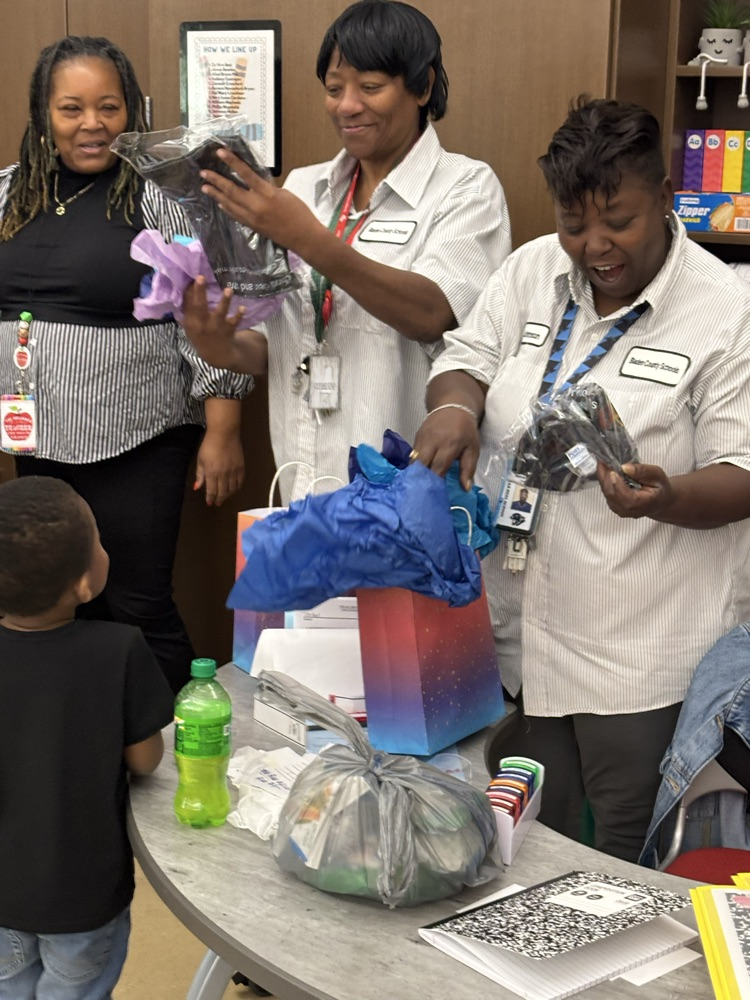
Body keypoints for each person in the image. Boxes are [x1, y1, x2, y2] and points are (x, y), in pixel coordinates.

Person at [413, 96, 750, 863]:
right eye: (574, 224)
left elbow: (743, 473)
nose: (594, 246)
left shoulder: (727, 312)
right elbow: (465, 357)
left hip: (639, 654)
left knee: (625, 866)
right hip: (519, 636)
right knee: (527, 847)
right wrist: (456, 407)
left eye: (619, 222)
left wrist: (667, 498)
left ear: (665, 199)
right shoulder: (530, 270)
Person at [0, 36, 253, 693]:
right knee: (61, 603)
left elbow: (213, 308)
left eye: (108, 107)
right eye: (71, 109)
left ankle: (181, 750)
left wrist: (223, 430)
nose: (92, 124)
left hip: (137, 438)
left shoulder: (160, 194)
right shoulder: (8, 194)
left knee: (138, 604)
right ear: (42, 115)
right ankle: (97, 742)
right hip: (38, 436)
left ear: (131, 111)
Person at [182, 0, 511, 502]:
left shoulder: (466, 187)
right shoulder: (303, 188)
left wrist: (308, 238)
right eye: (334, 89)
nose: (347, 105)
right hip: (303, 481)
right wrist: (219, 347)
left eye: (370, 87)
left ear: (422, 87)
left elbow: (433, 313)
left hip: (405, 495)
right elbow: (277, 342)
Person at [0, 476, 174, 1000]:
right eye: (98, 540)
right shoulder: (118, 649)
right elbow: (145, 761)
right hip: (83, 897)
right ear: (83, 584)